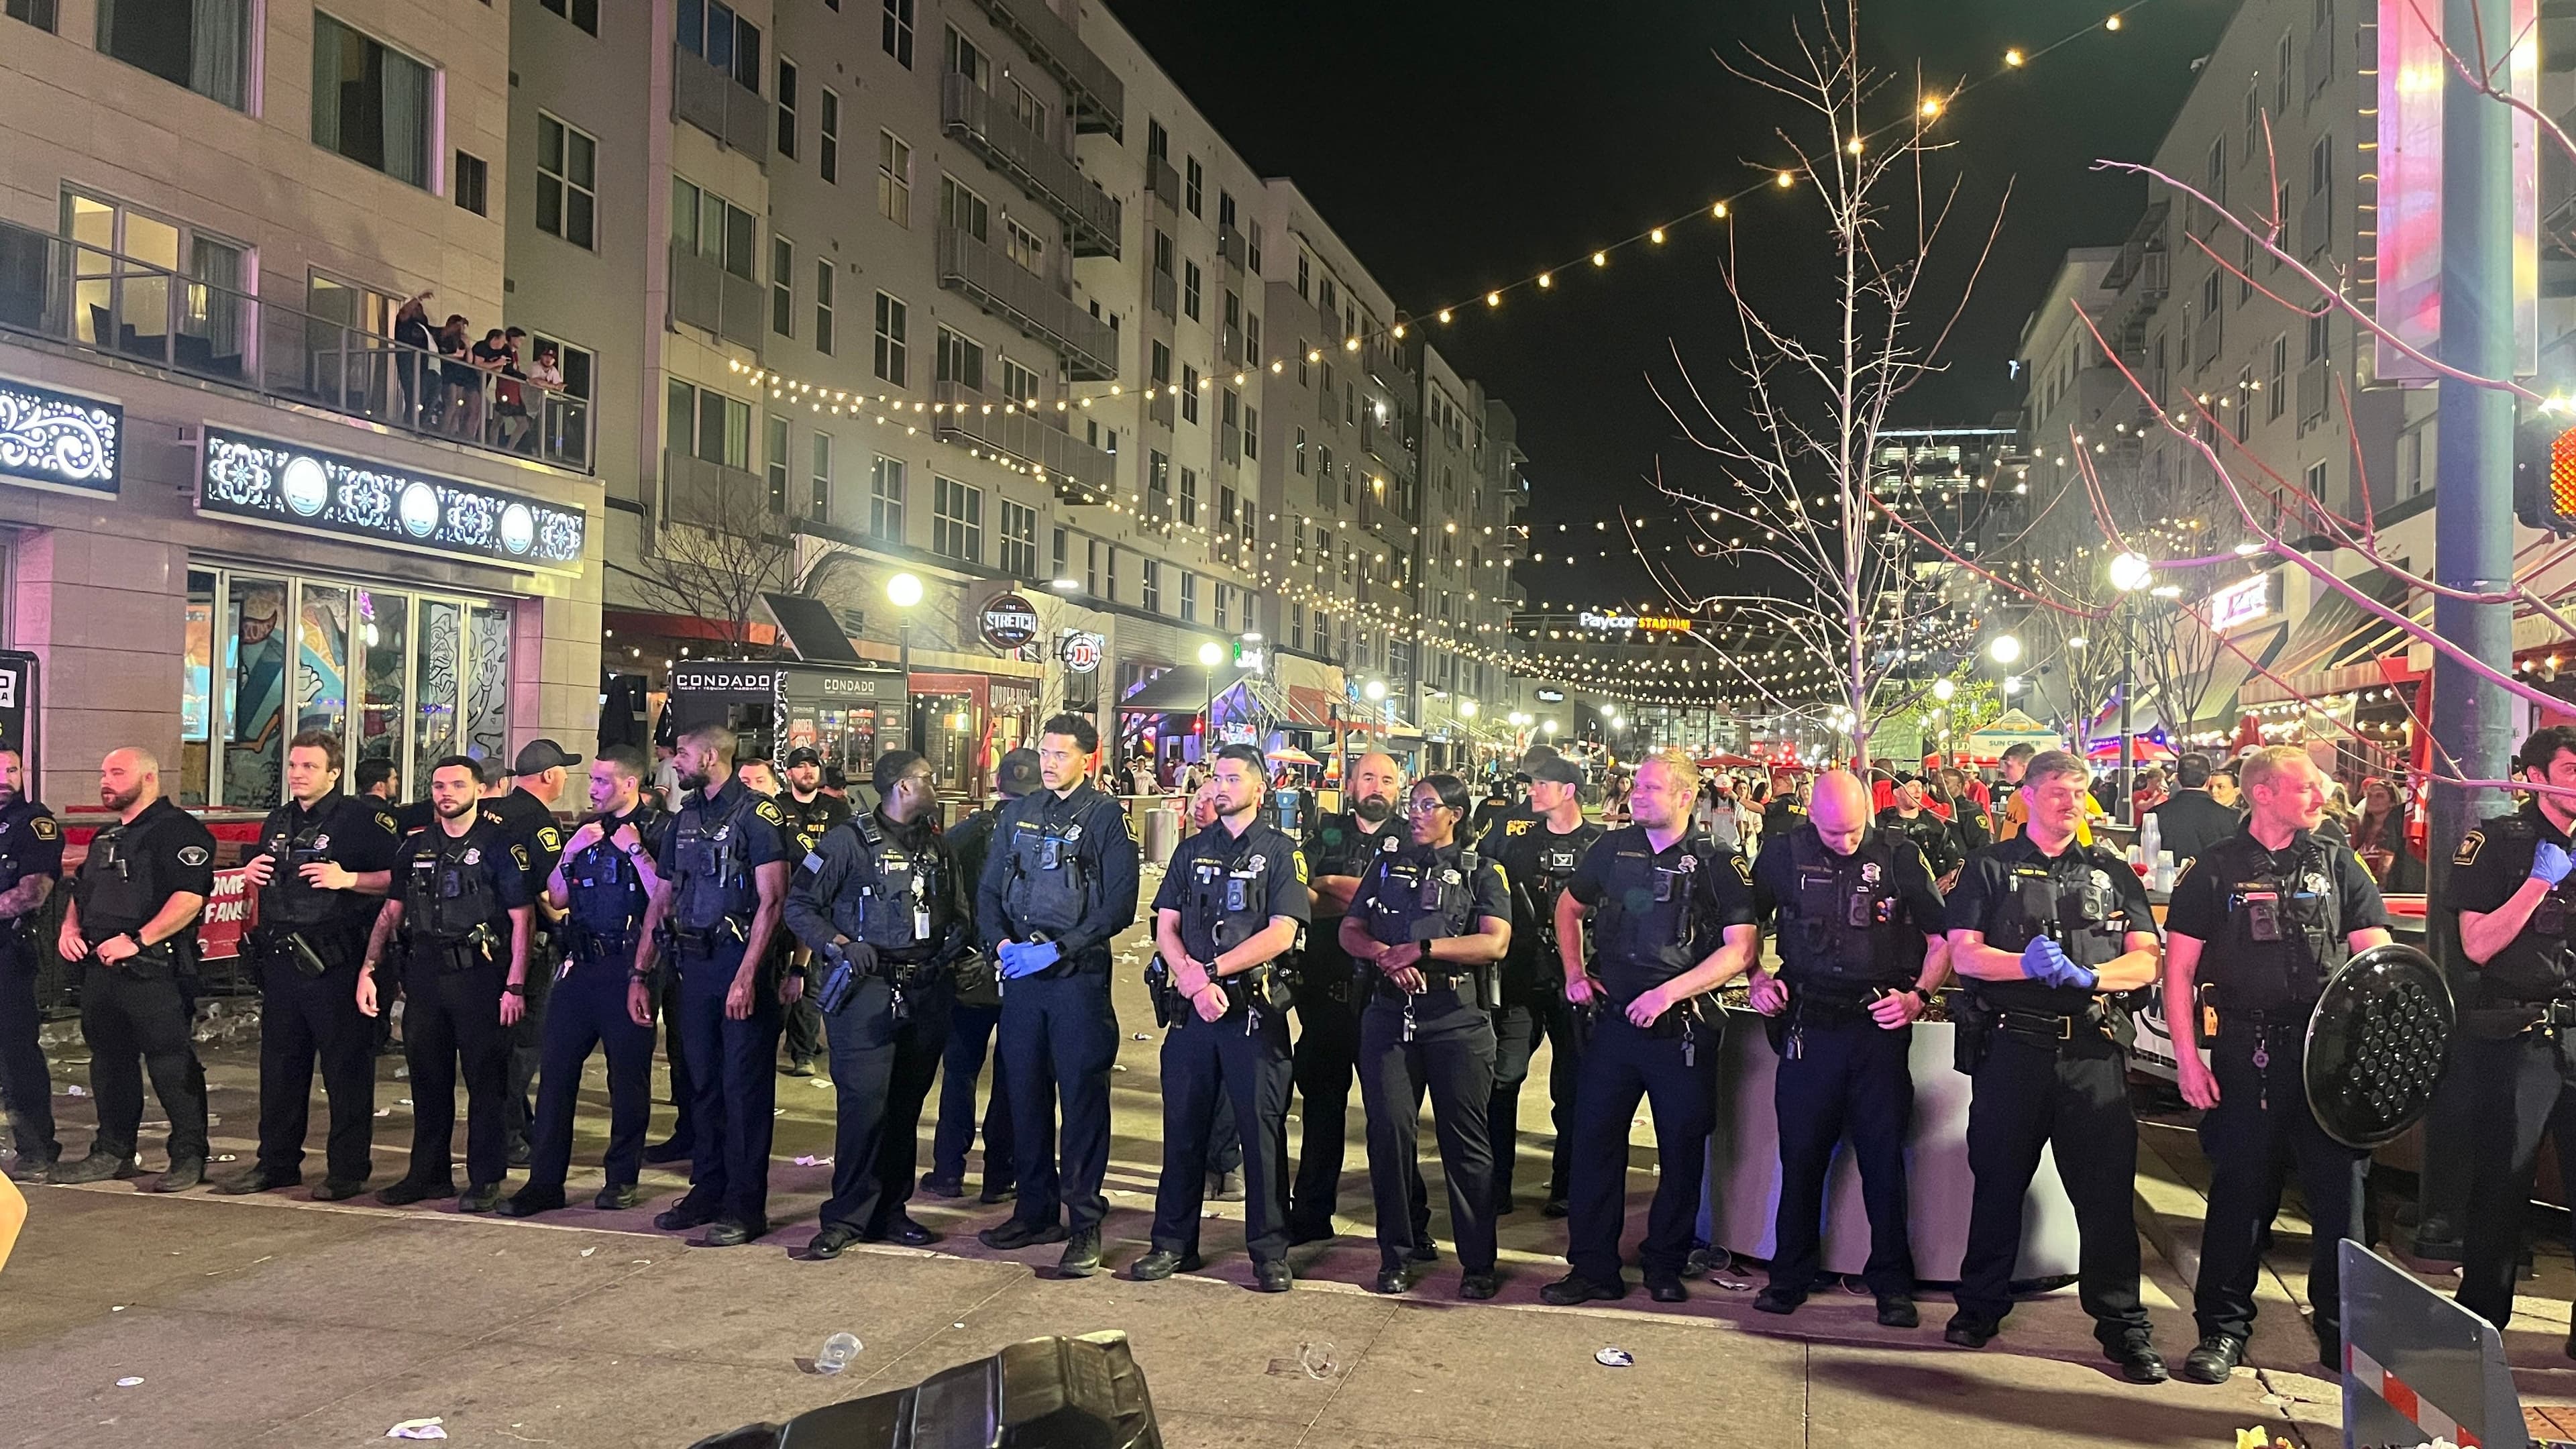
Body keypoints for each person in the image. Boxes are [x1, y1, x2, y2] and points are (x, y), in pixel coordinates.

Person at [2161, 745, 2392, 1382]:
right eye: (2306, 788)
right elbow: (2176, 972)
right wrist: (2187, 1059)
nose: (2321, 797)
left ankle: (2344, 1336)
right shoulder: (2213, 870)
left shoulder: (2337, 862)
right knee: (2240, 1194)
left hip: (2328, 1057)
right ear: (2262, 792)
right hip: (2247, 1050)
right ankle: (2223, 1331)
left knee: (2340, 1200)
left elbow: (2377, 955)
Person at [1942, 749, 2167, 1381]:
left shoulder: (2112, 871)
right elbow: (1966, 956)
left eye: (2080, 792)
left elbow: (2146, 960)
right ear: (2030, 796)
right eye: (2060, 792)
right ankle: (1979, 1308)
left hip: (2092, 1051)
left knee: (2106, 1199)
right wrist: (2026, 967)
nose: (2072, 803)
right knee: (1997, 1185)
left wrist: (2089, 975)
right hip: (2013, 1047)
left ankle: (2124, 1329)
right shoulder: (1988, 868)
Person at [1542, 751, 1759, 1306]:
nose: (1637, 795)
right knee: (1594, 1145)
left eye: (1652, 788)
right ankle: (1593, 1268)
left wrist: (1668, 994)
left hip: (1680, 1027)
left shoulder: (1717, 861)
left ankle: (1666, 1262)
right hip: (1614, 1024)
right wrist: (1574, 973)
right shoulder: (1613, 850)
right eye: (1636, 786)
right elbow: (1567, 908)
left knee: (1681, 1149)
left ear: (1686, 797)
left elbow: (1741, 951)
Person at [1746, 768, 1949, 1325]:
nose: (1847, 842)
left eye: (1855, 830)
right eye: (1834, 833)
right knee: (1802, 1158)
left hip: (1878, 1026)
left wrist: (1917, 998)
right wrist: (1758, 979)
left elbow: (1942, 940)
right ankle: (1789, 1276)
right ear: (1812, 815)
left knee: (1884, 1162)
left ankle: (1892, 1284)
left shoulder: (1900, 855)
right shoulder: (1783, 855)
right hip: (1809, 1023)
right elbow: (1741, 925)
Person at [1135, 744, 1308, 1291]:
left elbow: (1283, 931)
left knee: (1261, 1136)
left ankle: (1269, 1252)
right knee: (1182, 1131)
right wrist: (1188, 975)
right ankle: (1171, 1244)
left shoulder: (1281, 852)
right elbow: (1165, 923)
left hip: (1251, 1013)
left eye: (1234, 778)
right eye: (1217, 778)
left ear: (1260, 788)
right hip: (1192, 1012)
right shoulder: (1192, 851)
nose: (1221, 786)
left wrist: (1210, 971)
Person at [786, 749, 970, 1258]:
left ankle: (892, 1210)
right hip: (866, 992)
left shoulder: (939, 848)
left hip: (926, 990)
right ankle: (846, 1217)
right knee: (864, 1107)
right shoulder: (846, 842)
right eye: (930, 779)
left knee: (905, 1109)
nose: (938, 787)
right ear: (904, 787)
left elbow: (957, 910)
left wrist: (957, 941)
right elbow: (799, 906)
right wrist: (841, 945)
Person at [975, 714, 1141, 1276]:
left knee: (1082, 1102)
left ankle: (1085, 1222)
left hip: (1076, 981)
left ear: (1086, 758)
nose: (1048, 763)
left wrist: (1059, 949)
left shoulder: (1105, 818)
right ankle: (1035, 1211)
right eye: (1044, 752)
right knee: (1023, 1096)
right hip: (1022, 978)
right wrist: (1001, 946)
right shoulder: (1018, 814)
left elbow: (1118, 905)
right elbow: (990, 890)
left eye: (1061, 754)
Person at [625, 723, 796, 1245]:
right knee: (700, 1084)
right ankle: (708, 1188)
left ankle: (745, 1207)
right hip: (692, 967)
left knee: (743, 1092)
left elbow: (773, 901)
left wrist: (746, 977)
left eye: (683, 753)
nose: (674, 762)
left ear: (710, 756)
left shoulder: (758, 816)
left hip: (738, 966)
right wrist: (641, 972)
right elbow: (664, 896)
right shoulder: (687, 818)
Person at [1344, 773, 1513, 1299]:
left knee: (1465, 1146)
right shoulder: (1387, 864)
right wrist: (1383, 956)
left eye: (1426, 805)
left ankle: (1478, 1261)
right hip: (1390, 1017)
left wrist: (1423, 950)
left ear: (1455, 815)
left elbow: (1496, 942)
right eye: (1412, 804)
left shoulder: (1484, 871)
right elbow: (1352, 928)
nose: (1414, 813)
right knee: (1389, 1136)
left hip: (1456, 1021)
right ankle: (1398, 1251)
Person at [217, 731, 399, 1201]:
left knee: (345, 1071)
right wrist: (252, 873)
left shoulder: (361, 819)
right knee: (280, 1071)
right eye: (294, 766)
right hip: (282, 960)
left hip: (336, 961)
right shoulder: (279, 820)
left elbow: (400, 880)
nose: (298, 774)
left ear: (334, 773)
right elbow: (270, 880)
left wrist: (348, 878)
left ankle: (347, 1170)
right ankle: (276, 1164)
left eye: (310, 767)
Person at [357, 755, 535, 1210]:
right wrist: (369, 968)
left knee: (485, 1083)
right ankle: (428, 1175)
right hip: (425, 975)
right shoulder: (415, 846)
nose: (446, 793)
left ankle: (485, 1179)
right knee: (427, 1081)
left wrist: (515, 985)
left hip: (479, 975)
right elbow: (391, 912)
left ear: (478, 789)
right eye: (438, 786)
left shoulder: (500, 845)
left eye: (457, 784)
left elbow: (522, 919)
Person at [500, 746, 668, 1218]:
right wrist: (572, 850)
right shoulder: (585, 832)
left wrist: (635, 851)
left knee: (627, 1080)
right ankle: (545, 1182)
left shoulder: (659, 830)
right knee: (555, 1076)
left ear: (629, 784)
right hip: (580, 963)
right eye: (591, 781)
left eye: (600, 782)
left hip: (631, 967)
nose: (591, 789)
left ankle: (621, 1179)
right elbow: (557, 895)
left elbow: (665, 901)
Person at [2449, 724, 2576, 1342]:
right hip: (2521, 1035)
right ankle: (2480, 1329)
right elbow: (2476, 945)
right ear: (2533, 777)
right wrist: (2537, 884)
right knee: (2501, 1189)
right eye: (2571, 770)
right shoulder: (2498, 842)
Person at [50, 749, 218, 1191]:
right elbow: (82, 888)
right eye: (103, 772)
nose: (105, 781)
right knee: (109, 1063)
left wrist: (139, 940)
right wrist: (70, 928)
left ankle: (188, 1156)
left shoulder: (179, 831)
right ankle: (112, 1151)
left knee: (171, 1064)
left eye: (117, 773)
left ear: (147, 778)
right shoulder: (108, 836)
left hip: (153, 969)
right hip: (103, 971)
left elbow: (189, 898)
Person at [1289, 750, 1412, 1243]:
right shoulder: (1325, 835)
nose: (1377, 786)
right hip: (1328, 998)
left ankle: (1403, 1224)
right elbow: (1301, 900)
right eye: (1368, 777)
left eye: (1387, 779)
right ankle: (1312, 1214)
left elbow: (1411, 911)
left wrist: (1337, 886)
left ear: (1399, 789)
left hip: (1387, 1000)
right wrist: (1372, 896)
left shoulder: (1413, 840)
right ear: (1351, 783)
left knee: (1391, 1119)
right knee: (1321, 1112)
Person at [1485, 753, 1603, 1218]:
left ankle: (1567, 1187)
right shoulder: (1517, 842)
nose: (1532, 792)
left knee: (1573, 1089)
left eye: (1541, 784)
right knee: (1502, 1079)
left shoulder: (1601, 847)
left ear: (1568, 791)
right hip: (1520, 980)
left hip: (1578, 983)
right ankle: (1495, 1186)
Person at [924, 748, 1034, 1203]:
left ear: (996, 783)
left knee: (961, 1071)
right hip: (1024, 968)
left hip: (968, 967)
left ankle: (949, 1170)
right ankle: (999, 1176)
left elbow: (935, 894)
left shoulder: (966, 833)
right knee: (1012, 1075)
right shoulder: (1042, 833)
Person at [491, 741, 574, 1170]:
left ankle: (519, 1127)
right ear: (548, 775)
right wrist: (570, 929)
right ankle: (506, 1137)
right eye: (563, 770)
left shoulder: (496, 811)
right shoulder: (539, 822)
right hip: (527, 950)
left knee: (504, 1046)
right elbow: (548, 893)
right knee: (523, 1047)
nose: (566, 778)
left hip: (491, 946)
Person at [0, 750, 63, 1183]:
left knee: (15, 1053)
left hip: (8, 952)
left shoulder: (34, 824)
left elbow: (33, 894)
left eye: (12, 770)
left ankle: (37, 1147)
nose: (6, 778)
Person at [780, 745, 853, 1077]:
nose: (807, 771)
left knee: (811, 980)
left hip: (823, 907)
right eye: (800, 766)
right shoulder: (776, 808)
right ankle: (793, 1041)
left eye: (813, 766)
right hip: (781, 901)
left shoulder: (837, 810)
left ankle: (804, 1051)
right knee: (782, 975)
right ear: (789, 773)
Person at [2150, 754, 2245, 865]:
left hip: (2166, 881)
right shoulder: (2233, 817)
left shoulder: (2155, 814)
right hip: (2215, 881)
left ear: (2177, 779)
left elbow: (2139, 853)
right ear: (2209, 780)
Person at [1877, 773, 1964, 885]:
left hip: (1931, 890)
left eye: (1920, 786)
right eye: (1912, 786)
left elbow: (1955, 860)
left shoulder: (1933, 823)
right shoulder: (1883, 822)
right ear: (1896, 792)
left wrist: (1949, 877)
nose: (1918, 790)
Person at [2351, 777, 2422, 891]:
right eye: (2370, 795)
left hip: (2390, 889)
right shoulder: (2362, 829)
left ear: (2392, 802)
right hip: (2364, 888)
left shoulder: (2398, 830)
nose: (2373, 799)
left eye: (2379, 796)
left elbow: (2388, 861)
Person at [392, 292, 434, 427]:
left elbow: (441, 333)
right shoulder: (404, 323)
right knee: (412, 393)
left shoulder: (423, 327)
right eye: (415, 308)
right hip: (407, 360)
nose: (417, 310)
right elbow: (404, 311)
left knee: (423, 394)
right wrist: (419, 298)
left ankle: (419, 422)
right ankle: (410, 423)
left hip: (423, 364)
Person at [522, 341, 565, 455]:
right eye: (546, 356)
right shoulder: (535, 366)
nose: (548, 359)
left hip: (538, 405)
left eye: (551, 357)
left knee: (537, 428)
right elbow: (536, 381)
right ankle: (523, 449)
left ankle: (535, 450)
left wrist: (555, 386)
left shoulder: (553, 370)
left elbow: (560, 387)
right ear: (541, 356)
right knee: (524, 427)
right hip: (524, 401)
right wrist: (553, 386)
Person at [1992, 742, 2037, 842]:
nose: (2004, 770)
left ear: (2025, 767)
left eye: (2008, 765)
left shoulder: (2034, 798)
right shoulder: (2017, 794)